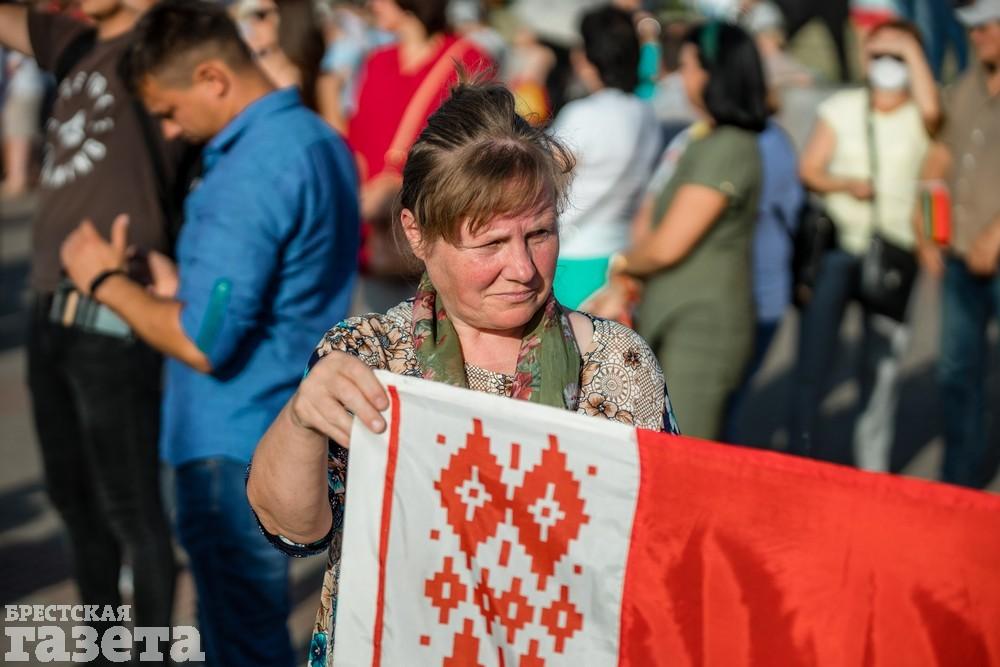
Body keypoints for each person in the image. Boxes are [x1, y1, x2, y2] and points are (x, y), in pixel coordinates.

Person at [246, 81, 680, 667]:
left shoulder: (616, 364)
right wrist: (301, 420)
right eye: (491, 242)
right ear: (418, 234)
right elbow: (295, 531)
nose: (522, 268)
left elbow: (659, 549)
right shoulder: (370, 359)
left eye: (540, 233)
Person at [59, 1, 360, 663]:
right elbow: (276, 286)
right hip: (280, 420)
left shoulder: (251, 169)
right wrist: (179, 284)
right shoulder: (317, 138)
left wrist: (102, 280)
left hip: (231, 441)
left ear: (213, 78)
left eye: (169, 111)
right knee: (246, 627)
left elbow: (203, 342)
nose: (170, 130)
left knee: (240, 640)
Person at [0, 0, 183, 638]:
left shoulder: (164, 42)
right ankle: (102, 648)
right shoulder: (73, 42)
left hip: (117, 305)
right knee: (73, 502)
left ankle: (150, 648)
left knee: (130, 507)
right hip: (48, 301)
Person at [586, 21, 768, 441]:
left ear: (714, 73)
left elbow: (668, 245)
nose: (680, 77)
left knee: (683, 450)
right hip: (675, 316)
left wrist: (622, 264)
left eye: (687, 66)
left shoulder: (730, 145)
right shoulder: (704, 139)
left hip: (701, 330)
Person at [790, 20, 939, 470]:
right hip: (838, 249)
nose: (887, 64)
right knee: (814, 364)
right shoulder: (843, 107)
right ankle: (800, 461)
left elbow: (935, 113)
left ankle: (871, 472)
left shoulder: (923, 115)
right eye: (878, 55)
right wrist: (846, 184)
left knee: (881, 370)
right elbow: (810, 169)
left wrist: (909, 47)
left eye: (899, 56)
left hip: (895, 254)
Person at [347, 0, 494, 310]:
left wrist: (401, 188)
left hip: (434, 231)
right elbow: (357, 139)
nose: (373, 4)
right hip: (374, 238)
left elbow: (478, 150)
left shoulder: (468, 58)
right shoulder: (377, 61)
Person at [915, 0, 1000, 487]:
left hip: (991, 250)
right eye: (971, 27)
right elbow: (941, 157)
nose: (976, 35)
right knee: (956, 372)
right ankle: (959, 483)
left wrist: (995, 235)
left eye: (986, 26)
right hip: (962, 257)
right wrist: (927, 225)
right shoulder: (967, 84)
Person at [551, 5, 659, 310]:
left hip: (571, 258)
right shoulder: (645, 113)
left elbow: (543, 177)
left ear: (588, 58)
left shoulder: (583, 114)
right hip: (618, 255)